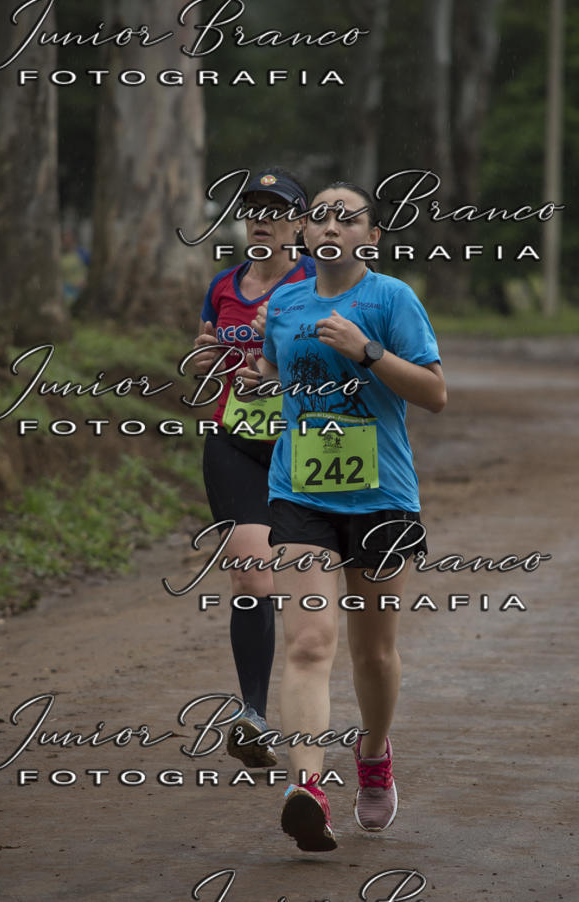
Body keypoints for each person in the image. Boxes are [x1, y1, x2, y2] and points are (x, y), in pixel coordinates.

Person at [237, 182, 446, 849]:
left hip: (382, 496)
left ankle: (374, 755)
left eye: (347, 218)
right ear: (304, 233)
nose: (331, 226)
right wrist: (260, 380)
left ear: (371, 237)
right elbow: (280, 376)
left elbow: (435, 394)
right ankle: (307, 788)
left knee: (373, 652)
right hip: (300, 493)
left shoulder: (391, 300)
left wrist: (367, 351)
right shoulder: (285, 303)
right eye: (320, 217)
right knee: (307, 643)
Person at [192, 168, 315, 768]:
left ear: (300, 223)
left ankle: (315, 699)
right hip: (235, 442)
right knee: (252, 577)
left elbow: (342, 363)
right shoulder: (223, 285)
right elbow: (204, 355)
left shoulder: (316, 281)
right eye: (252, 209)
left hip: (306, 449)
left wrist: (281, 349)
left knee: (309, 589)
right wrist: (206, 360)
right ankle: (253, 716)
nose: (261, 220)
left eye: (276, 209)